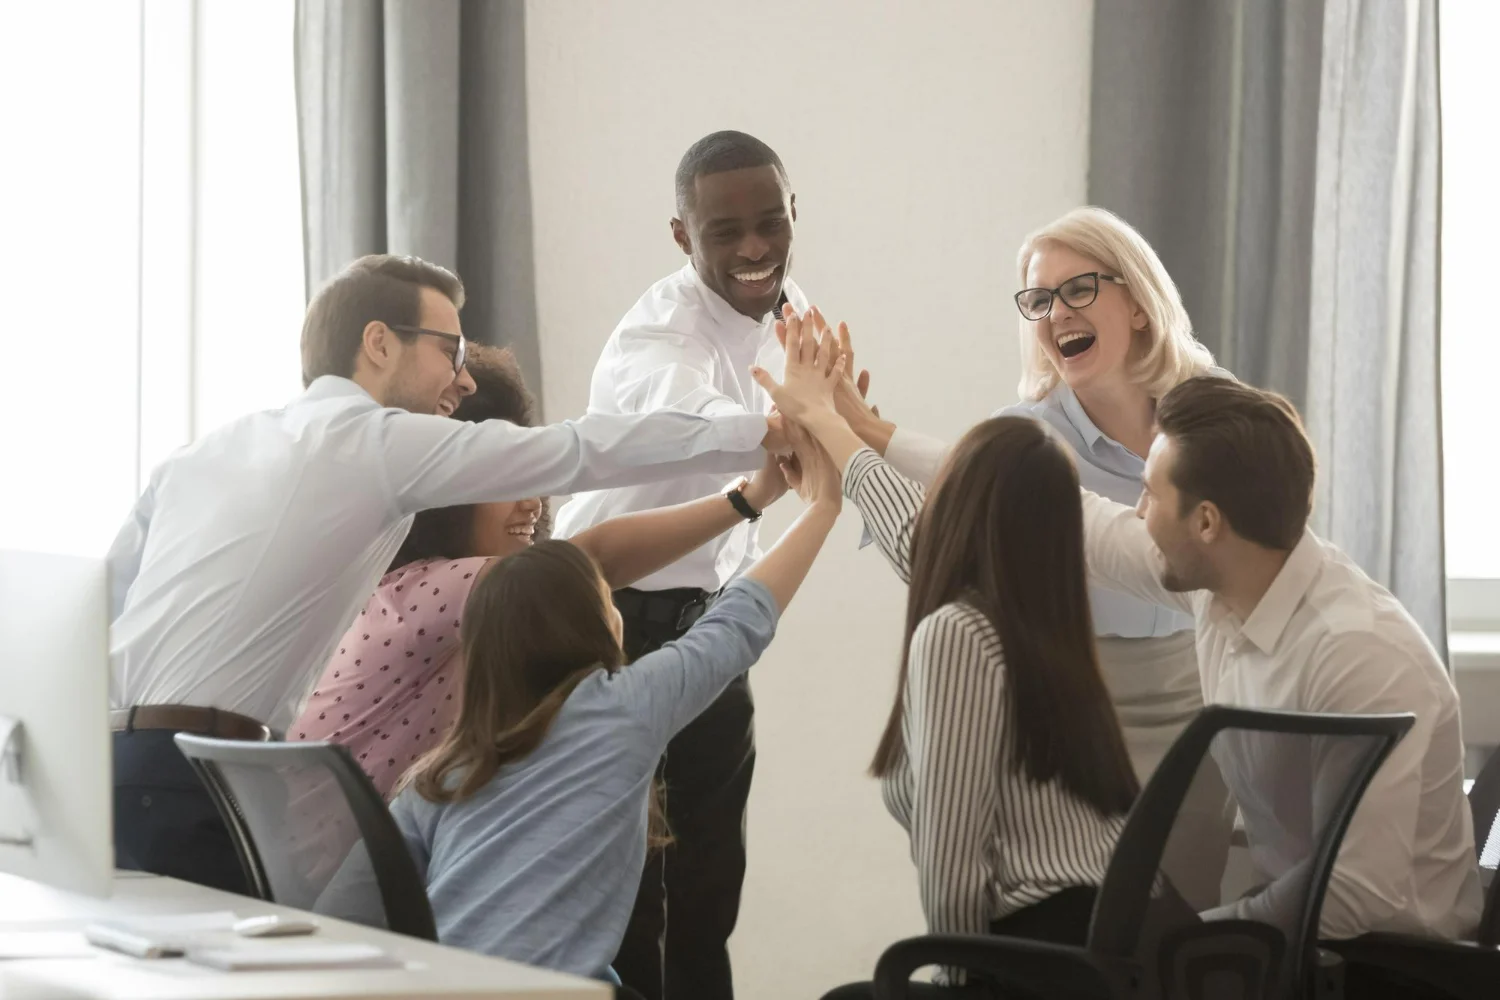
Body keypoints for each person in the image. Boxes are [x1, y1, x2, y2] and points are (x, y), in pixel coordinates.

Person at [108, 253, 785, 895]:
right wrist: (769, 434)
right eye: (450, 351)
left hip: (110, 762)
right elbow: (577, 451)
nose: (464, 381)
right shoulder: (369, 443)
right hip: (195, 778)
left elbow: (102, 607)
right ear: (379, 343)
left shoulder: (202, 453)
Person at [324, 418, 842, 987]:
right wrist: (823, 507)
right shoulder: (620, 711)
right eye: (607, 599)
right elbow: (738, 623)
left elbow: (343, 912)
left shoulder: (441, 775)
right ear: (598, 623)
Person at [822, 207, 1234, 907]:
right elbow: (945, 539)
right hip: (1079, 709)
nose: (1057, 312)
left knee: (1179, 934)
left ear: (1138, 303)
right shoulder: (1023, 437)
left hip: (1197, 706)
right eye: (1039, 299)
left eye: (1079, 289)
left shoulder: (1213, 418)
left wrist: (860, 432)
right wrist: (850, 436)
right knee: (1097, 926)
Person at [755, 314, 1146, 998]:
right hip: (1097, 959)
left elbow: (953, 858)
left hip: (1028, 961)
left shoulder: (961, 634)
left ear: (960, 508)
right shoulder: (1044, 626)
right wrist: (840, 427)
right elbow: (918, 540)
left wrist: (954, 980)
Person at [1073, 376, 1479, 997]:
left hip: (1390, 969)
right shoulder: (1227, 585)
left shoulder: (1358, 654)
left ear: (1206, 522)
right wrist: (909, 455)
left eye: (1150, 494)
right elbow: (1094, 531)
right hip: (1307, 948)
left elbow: (1356, 894)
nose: (1138, 512)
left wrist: (1195, 938)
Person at [291, 344, 791, 799]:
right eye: (507, 477)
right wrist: (750, 497)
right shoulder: (427, 593)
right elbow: (594, 560)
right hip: (335, 862)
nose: (532, 501)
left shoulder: (403, 589)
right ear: (444, 494)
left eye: (531, 473)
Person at [552, 130, 806, 1000]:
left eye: (771, 223)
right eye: (725, 231)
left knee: (708, 885)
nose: (755, 248)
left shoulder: (792, 312)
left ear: (793, 213)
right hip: (606, 626)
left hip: (708, 622)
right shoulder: (658, 335)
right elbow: (694, 419)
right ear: (680, 234)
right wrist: (793, 431)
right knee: (626, 894)